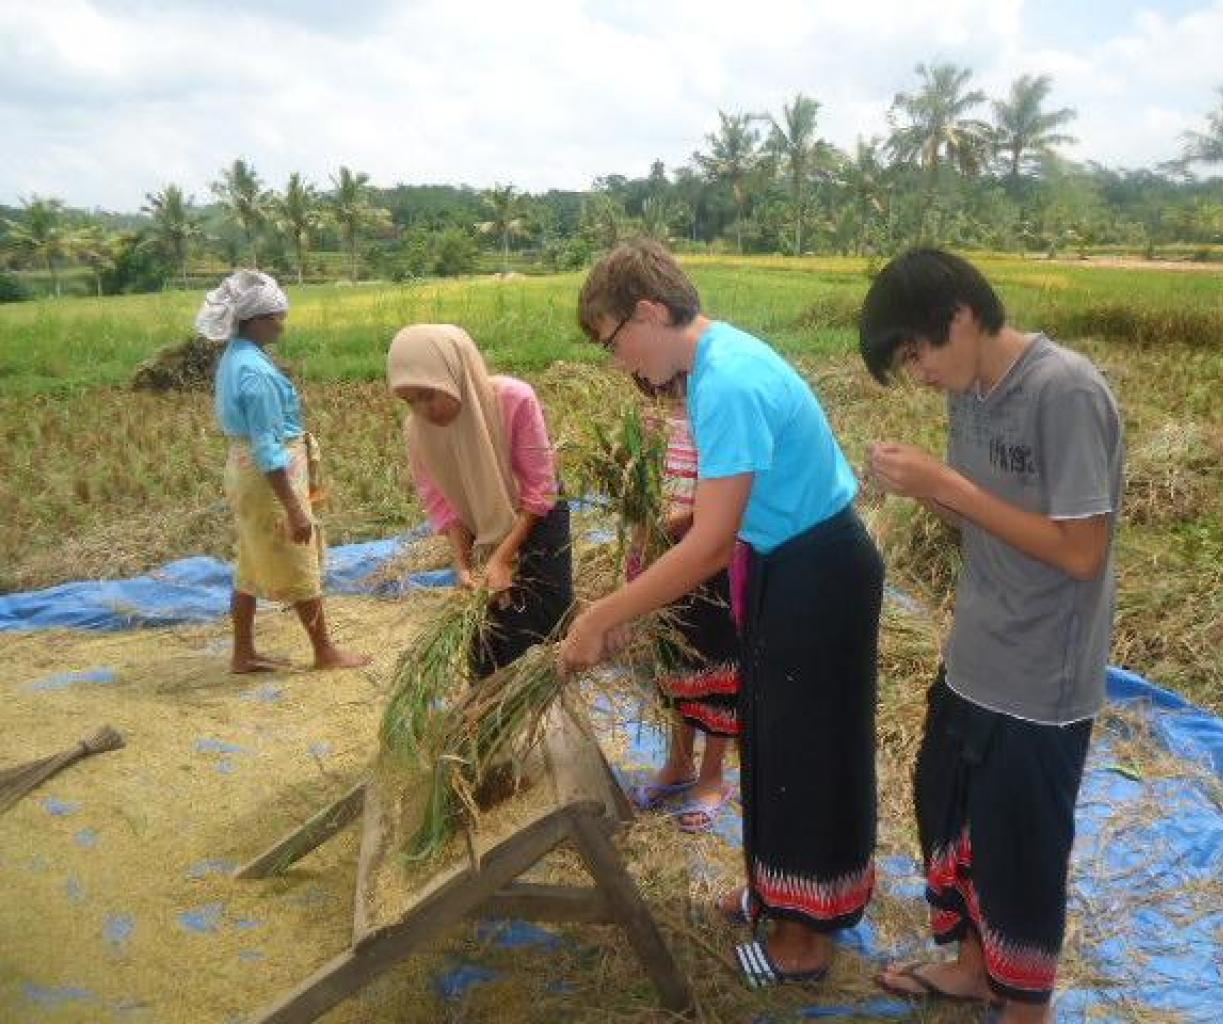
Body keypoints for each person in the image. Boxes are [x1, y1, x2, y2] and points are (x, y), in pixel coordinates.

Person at [558, 240, 883, 987]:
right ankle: (775, 895)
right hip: (783, 562)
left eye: (614, 343)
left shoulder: (727, 382)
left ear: (648, 311)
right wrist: (630, 615)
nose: (620, 363)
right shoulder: (714, 366)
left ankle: (804, 941)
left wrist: (599, 614)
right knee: (770, 738)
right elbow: (713, 529)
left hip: (818, 573)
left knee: (807, 753)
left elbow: (708, 545)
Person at [858, 249, 1124, 1023]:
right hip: (976, 652)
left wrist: (946, 485)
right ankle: (975, 970)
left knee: (1022, 849)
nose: (918, 374)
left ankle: (1025, 1008)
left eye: (917, 353)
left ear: (963, 318)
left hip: (1042, 675)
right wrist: (924, 489)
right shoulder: (970, 390)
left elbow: (1081, 552)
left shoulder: (1064, 391)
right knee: (950, 815)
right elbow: (981, 515)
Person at [202, 269, 369, 674]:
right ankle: (324, 651)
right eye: (277, 315)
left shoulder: (237, 357)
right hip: (268, 479)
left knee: (250, 562)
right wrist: (295, 508)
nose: (282, 322)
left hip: (244, 472)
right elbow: (268, 449)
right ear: (256, 320)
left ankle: (243, 653)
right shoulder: (256, 373)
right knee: (298, 560)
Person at [387, 324, 571, 677]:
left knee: (543, 625)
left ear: (456, 375)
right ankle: (489, 716)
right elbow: (441, 503)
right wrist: (463, 563)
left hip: (537, 518)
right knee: (489, 636)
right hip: (480, 528)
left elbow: (540, 489)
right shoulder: (417, 431)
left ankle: (543, 709)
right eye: (410, 401)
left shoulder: (513, 400)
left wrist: (503, 558)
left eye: (429, 395)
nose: (424, 410)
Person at [625, 372, 740, 834]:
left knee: (717, 670)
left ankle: (713, 776)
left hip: (713, 566)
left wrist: (674, 524)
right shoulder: (649, 423)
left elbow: (726, 498)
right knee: (674, 665)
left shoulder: (716, 420)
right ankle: (678, 763)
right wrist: (639, 548)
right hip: (662, 559)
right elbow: (641, 494)